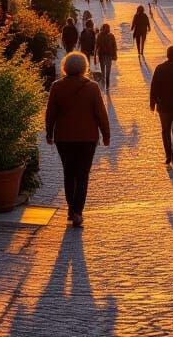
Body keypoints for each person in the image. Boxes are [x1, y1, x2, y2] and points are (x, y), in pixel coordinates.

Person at [45, 52, 110, 228]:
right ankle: (77, 212)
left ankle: (72, 209)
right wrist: (106, 134)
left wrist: (49, 133)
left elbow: (50, 113)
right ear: (84, 67)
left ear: (65, 67)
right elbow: (101, 114)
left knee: (69, 173)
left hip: (64, 138)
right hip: (87, 138)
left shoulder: (57, 86)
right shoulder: (92, 87)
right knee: (82, 175)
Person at [95, 23, 118, 89]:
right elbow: (96, 46)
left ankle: (107, 84)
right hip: (102, 55)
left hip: (109, 55)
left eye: (108, 28)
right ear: (103, 28)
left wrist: (115, 55)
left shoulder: (111, 36)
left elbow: (114, 46)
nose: (108, 29)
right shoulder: (99, 36)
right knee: (103, 70)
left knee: (108, 71)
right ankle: (104, 82)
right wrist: (94, 56)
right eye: (106, 28)